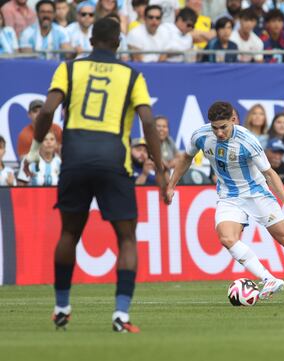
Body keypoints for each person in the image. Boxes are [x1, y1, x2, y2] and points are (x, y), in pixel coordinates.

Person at [23, 17, 167, 333]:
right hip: (114, 160)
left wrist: (34, 150)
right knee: (127, 238)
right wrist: (160, 168)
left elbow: (46, 111)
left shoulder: (70, 68)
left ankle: (61, 308)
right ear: (119, 43)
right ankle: (120, 315)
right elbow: (147, 120)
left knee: (69, 234)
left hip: (74, 159)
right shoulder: (132, 74)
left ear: (90, 41)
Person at [165, 101, 284, 304]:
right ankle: (269, 279)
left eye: (223, 127)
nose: (219, 133)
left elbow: (269, 173)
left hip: (256, 193)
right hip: (228, 196)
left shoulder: (247, 141)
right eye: (215, 128)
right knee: (226, 238)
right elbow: (186, 158)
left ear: (233, 120)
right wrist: (171, 185)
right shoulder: (201, 136)